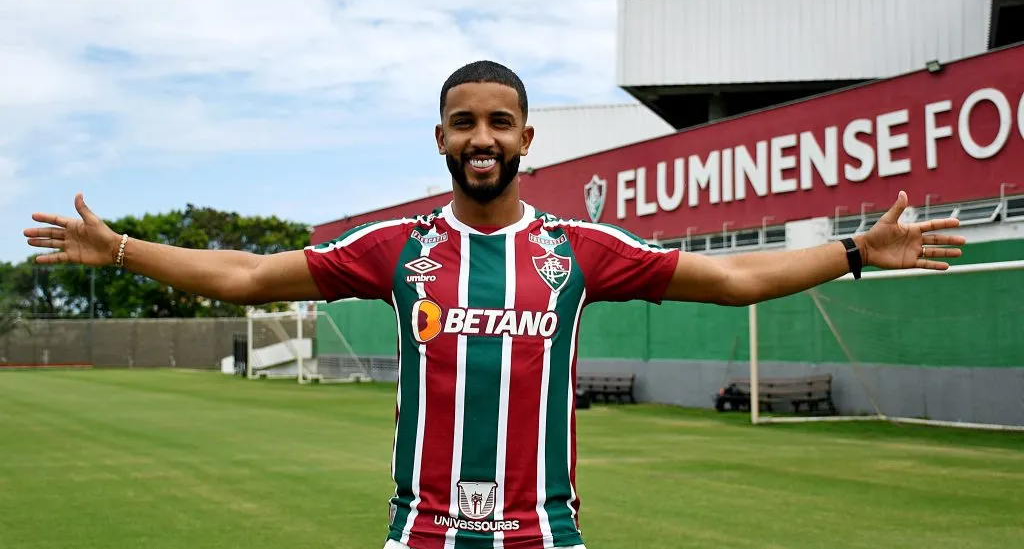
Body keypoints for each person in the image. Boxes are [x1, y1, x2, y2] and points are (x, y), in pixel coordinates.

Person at [23, 60, 965, 549]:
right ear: (441, 136)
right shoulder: (398, 247)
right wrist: (120, 250)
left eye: (499, 122)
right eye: (465, 121)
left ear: (526, 138)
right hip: (420, 533)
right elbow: (248, 275)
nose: (482, 137)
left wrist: (852, 251)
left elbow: (728, 281)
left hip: (545, 533)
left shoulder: (574, 251)